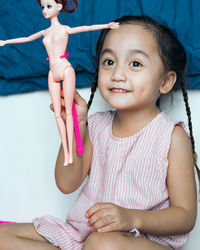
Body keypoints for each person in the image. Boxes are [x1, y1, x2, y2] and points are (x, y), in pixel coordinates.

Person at [0, 15, 199, 250]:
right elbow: (66, 183)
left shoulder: (171, 136)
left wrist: (131, 218)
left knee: (102, 244)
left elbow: (185, 216)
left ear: (165, 82)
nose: (117, 74)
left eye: (135, 64)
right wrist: (73, 125)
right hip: (85, 236)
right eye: (109, 62)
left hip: (141, 240)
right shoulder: (95, 126)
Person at [0, 0, 119, 166]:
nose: (44, 10)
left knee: (69, 112)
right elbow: (27, 38)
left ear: (59, 7)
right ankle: (67, 152)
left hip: (65, 69)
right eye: (42, 7)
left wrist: (107, 25)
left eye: (48, 6)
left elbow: (86, 28)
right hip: (52, 72)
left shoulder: (65, 30)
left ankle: (71, 152)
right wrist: (6, 42)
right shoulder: (44, 32)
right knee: (58, 114)